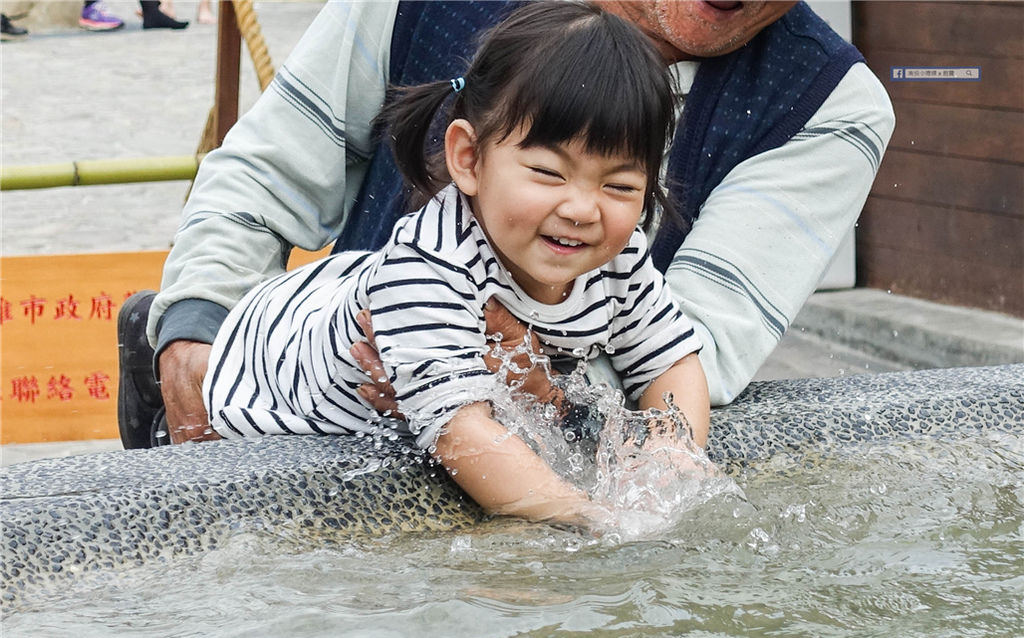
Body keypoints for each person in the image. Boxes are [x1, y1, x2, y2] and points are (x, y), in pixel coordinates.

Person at [117, 0, 894, 448]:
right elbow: (264, 170)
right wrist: (192, 329)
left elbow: (698, 347)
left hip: (541, 467)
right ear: (465, 153)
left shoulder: (831, 104)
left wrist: (508, 386)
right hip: (326, 422)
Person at [198, 1, 706, 529]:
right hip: (269, 369)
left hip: (355, 293)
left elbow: (671, 359)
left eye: (619, 185)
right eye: (549, 173)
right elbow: (461, 434)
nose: (581, 209)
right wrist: (590, 519)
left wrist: (672, 454)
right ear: (468, 158)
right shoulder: (430, 270)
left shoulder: (619, 254)